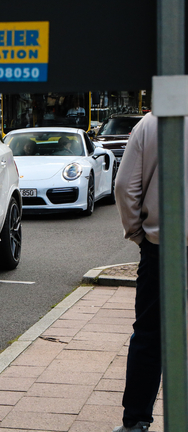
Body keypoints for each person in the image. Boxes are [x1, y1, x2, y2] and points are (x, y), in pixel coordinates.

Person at [113, 112, 188, 432]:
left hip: (163, 247)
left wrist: (139, 235)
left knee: (149, 335)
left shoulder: (151, 123)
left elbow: (124, 186)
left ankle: (136, 421)